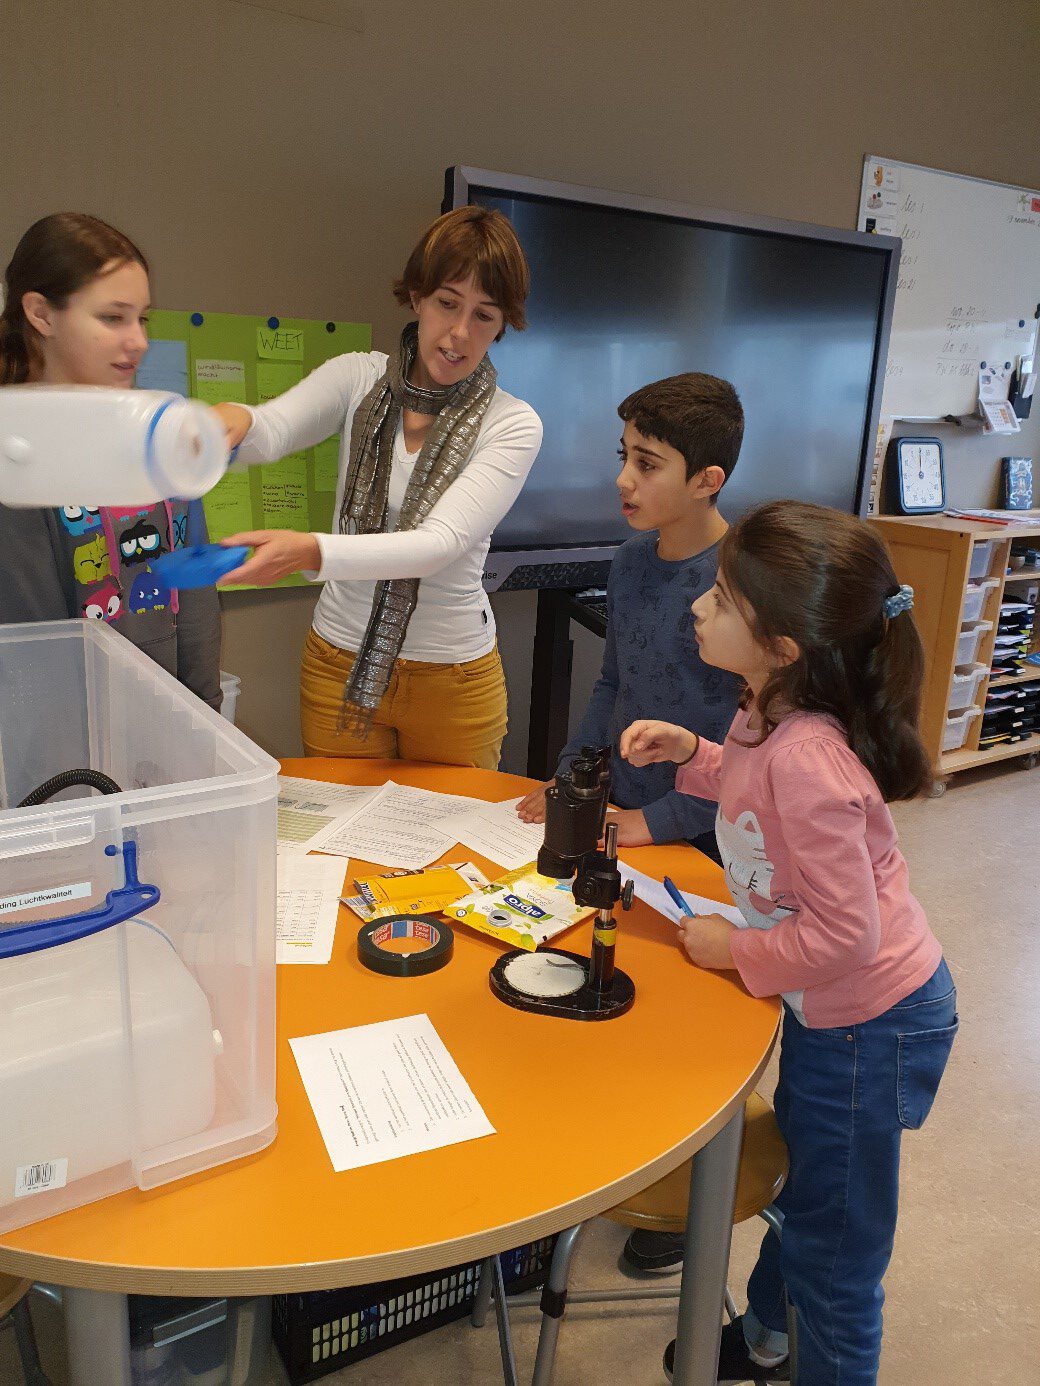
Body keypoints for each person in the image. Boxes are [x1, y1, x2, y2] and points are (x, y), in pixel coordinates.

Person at [620, 501, 958, 1385]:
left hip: (870, 1021)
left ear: (783, 646)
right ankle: (770, 1337)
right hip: (832, 1008)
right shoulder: (768, 707)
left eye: (724, 600)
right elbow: (746, 782)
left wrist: (736, 949)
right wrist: (690, 751)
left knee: (838, 1252)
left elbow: (849, 935)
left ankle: (816, 1353)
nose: (701, 606)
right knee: (814, 1197)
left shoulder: (811, 760)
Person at [213, 205, 542, 769]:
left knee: (452, 851)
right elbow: (272, 429)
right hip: (339, 661)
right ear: (417, 296)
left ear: (502, 325)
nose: (460, 334)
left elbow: (438, 544)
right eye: (447, 303)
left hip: (453, 678)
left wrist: (312, 551)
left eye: (484, 316)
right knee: (338, 846)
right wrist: (232, 421)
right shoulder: (357, 377)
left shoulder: (512, 424)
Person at [0, 213, 223, 709]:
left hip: (164, 729)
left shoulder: (162, 439)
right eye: (112, 317)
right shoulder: (16, 455)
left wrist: (207, 731)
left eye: (142, 318)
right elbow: (31, 649)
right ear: (41, 313)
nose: (138, 340)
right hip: (57, 747)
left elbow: (197, 603)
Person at [517, 373, 743, 862]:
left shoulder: (744, 582)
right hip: (621, 804)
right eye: (625, 457)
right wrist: (570, 773)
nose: (623, 479)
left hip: (714, 827)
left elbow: (755, 750)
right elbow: (614, 684)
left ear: (706, 481)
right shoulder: (631, 560)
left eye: (647, 464)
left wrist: (657, 821)